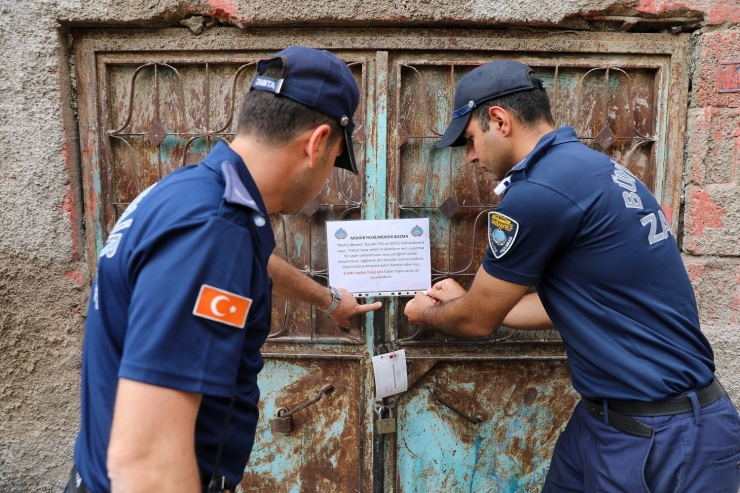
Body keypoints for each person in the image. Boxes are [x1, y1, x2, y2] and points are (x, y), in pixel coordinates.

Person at [404, 60, 740, 492]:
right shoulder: (589, 168)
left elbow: (476, 321)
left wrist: (430, 313)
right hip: (607, 421)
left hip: (666, 435)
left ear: (499, 121)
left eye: (470, 139)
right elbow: (569, 300)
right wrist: (474, 298)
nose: (470, 155)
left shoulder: (539, 191)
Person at [68, 46, 381, 493]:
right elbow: (147, 464)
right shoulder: (215, 230)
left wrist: (328, 299)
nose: (328, 176)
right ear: (316, 143)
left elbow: (254, 260)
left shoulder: (195, 193)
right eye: (335, 160)